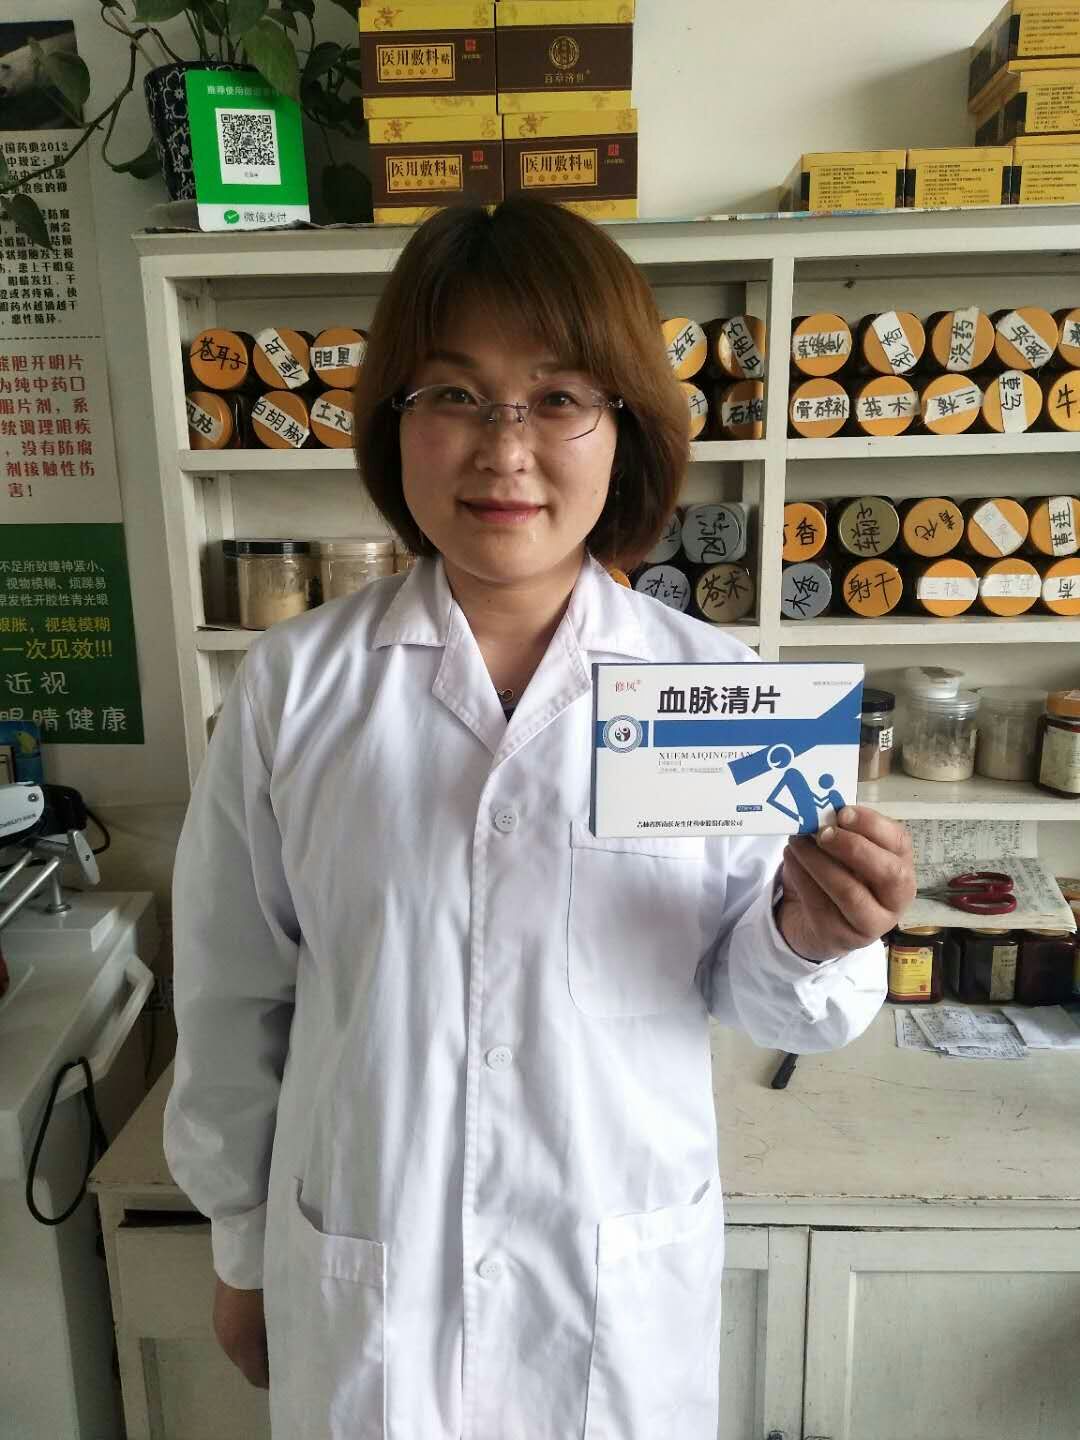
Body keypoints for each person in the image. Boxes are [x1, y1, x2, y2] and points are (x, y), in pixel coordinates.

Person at [165, 196, 916, 1440]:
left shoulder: (714, 692)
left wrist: (814, 934)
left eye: (559, 396)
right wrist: (242, 1249)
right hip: (372, 1278)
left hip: (609, 1289)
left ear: (625, 426)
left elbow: (768, 1002)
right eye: (454, 394)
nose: (504, 450)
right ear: (394, 421)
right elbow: (233, 992)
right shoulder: (296, 688)